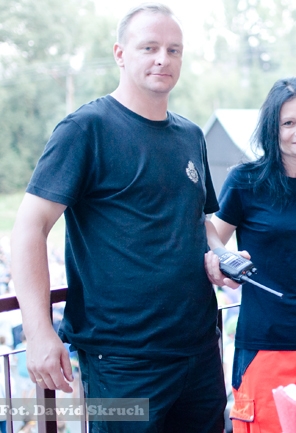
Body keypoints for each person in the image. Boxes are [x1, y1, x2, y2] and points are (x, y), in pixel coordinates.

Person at [10, 3, 234, 432]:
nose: (163, 59)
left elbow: (201, 221)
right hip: (122, 361)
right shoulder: (85, 129)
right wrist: (38, 332)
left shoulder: (190, 135)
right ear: (120, 53)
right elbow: (29, 228)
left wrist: (222, 255)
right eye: (149, 47)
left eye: (173, 50)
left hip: (200, 350)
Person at [206, 77, 296, 433]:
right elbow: (211, 236)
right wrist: (221, 257)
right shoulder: (246, 181)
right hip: (266, 341)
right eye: (288, 123)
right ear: (272, 129)